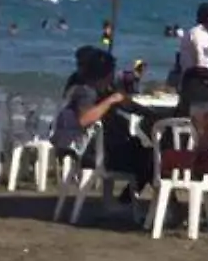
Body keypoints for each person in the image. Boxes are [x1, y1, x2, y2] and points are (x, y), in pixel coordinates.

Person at [53, 47, 155, 195]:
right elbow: (84, 119)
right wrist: (111, 101)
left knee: (148, 156)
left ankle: (130, 199)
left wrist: (141, 109)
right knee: (153, 160)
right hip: (95, 154)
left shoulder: (97, 91)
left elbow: (127, 106)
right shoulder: (86, 92)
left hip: (97, 149)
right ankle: (131, 200)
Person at [177, 2, 208, 83]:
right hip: (196, 81)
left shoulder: (194, 32)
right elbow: (200, 60)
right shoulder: (201, 35)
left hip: (188, 79)